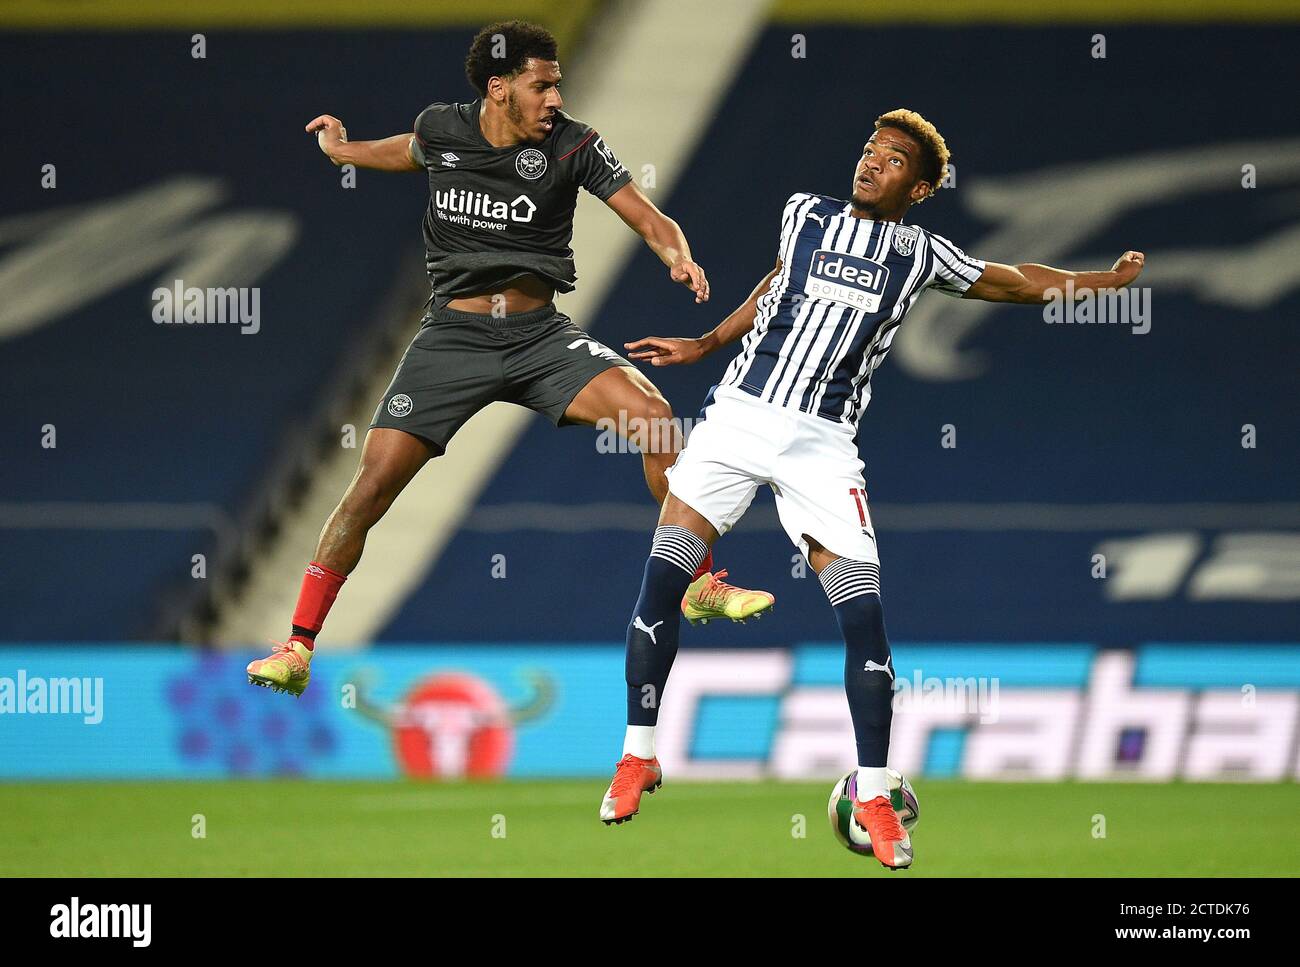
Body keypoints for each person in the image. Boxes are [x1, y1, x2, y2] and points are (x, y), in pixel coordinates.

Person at [600, 108, 1145, 869]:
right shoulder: (804, 214)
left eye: (891, 161)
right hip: (740, 416)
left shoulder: (921, 254)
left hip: (823, 446)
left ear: (919, 188)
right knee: (664, 577)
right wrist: (707, 342)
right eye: (868, 150)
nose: (870, 163)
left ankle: (876, 793)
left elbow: (1016, 281)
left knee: (863, 621)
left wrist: (1104, 282)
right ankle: (639, 755)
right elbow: (777, 283)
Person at [246, 20, 772, 699]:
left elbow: (645, 214)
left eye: (557, 84)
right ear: (499, 88)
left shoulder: (573, 144)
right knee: (371, 486)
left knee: (654, 417)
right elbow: (405, 151)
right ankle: (297, 645)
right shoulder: (443, 129)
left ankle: (696, 579)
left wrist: (677, 253)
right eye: (541, 85)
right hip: (452, 340)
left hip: (539, 337)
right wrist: (343, 151)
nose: (555, 97)